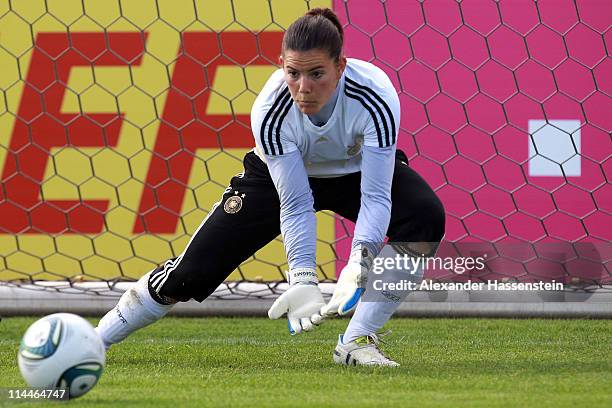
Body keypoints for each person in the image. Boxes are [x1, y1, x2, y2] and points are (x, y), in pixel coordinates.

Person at [96, 8, 445, 367]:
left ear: (341, 67)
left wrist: (361, 261)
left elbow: (375, 196)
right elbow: (295, 204)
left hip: (355, 174)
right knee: (190, 274)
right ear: (281, 65)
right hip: (275, 179)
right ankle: (95, 341)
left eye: (317, 74)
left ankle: (356, 341)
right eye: (293, 73)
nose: (304, 88)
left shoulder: (375, 96)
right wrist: (303, 277)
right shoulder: (269, 108)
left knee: (424, 219)